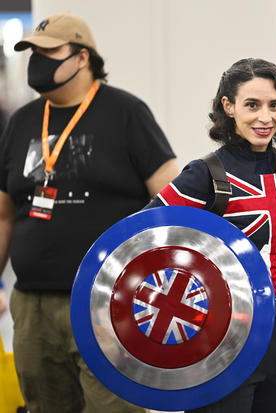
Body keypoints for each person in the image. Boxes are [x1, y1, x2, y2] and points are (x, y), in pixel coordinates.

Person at [0, 13, 179, 412]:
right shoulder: (22, 122)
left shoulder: (126, 113)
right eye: (33, 52)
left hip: (109, 301)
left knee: (115, 407)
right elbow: (4, 215)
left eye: (49, 52)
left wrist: (161, 289)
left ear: (82, 58)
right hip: (34, 306)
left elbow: (174, 205)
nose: (37, 62)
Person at [145, 58, 276, 412]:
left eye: (275, 105)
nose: (265, 118)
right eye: (252, 105)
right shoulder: (204, 175)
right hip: (221, 343)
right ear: (229, 107)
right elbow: (145, 238)